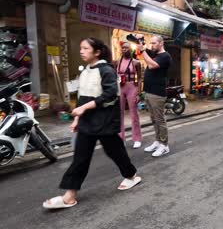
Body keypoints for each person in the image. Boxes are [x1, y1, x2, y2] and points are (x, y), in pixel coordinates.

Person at [43, 38, 141, 209]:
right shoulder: (85, 71)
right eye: (81, 48)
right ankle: (70, 195)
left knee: (115, 152)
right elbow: (82, 98)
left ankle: (131, 175)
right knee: (80, 157)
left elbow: (110, 95)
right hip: (87, 122)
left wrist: (83, 109)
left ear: (97, 52)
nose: (81, 51)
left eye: (85, 48)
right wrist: (77, 119)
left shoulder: (107, 70)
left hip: (105, 121)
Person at [140, 35, 172, 157]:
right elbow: (144, 50)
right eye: (150, 43)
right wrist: (140, 41)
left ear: (161, 43)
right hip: (149, 91)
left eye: (154, 43)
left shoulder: (165, 56)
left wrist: (143, 50)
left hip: (157, 93)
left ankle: (164, 145)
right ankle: (158, 141)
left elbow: (152, 65)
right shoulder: (155, 54)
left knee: (160, 120)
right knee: (154, 120)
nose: (151, 45)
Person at [114, 42, 143, 149]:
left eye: (127, 48)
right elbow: (113, 76)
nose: (124, 49)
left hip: (132, 87)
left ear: (131, 50)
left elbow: (139, 78)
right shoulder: (116, 62)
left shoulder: (136, 63)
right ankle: (120, 138)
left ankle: (137, 138)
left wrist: (139, 93)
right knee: (119, 113)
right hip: (119, 87)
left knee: (134, 114)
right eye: (123, 48)